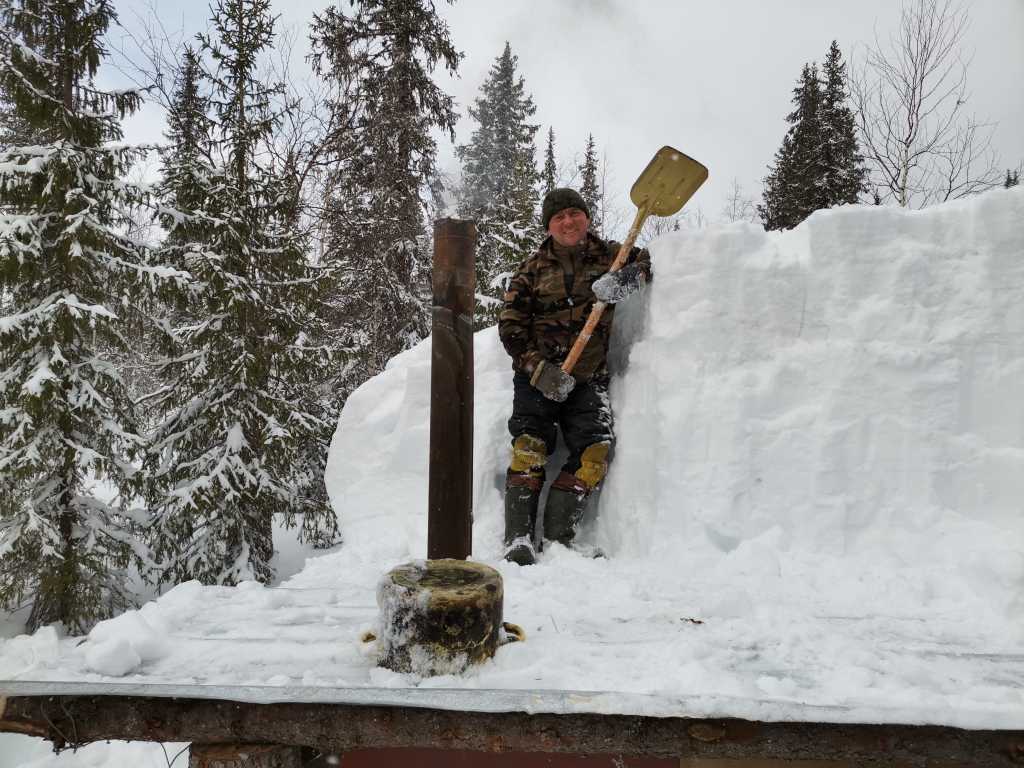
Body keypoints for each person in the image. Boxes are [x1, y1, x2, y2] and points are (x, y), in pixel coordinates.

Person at [497, 188, 651, 565]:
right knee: (529, 448)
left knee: (594, 452)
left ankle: (559, 538)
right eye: (558, 217)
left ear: (586, 217)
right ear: (548, 226)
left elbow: (649, 262)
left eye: (574, 213)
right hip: (538, 379)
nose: (568, 222)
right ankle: (518, 540)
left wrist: (627, 279)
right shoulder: (531, 270)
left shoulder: (612, 256)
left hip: (588, 379)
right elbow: (511, 327)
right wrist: (539, 370)